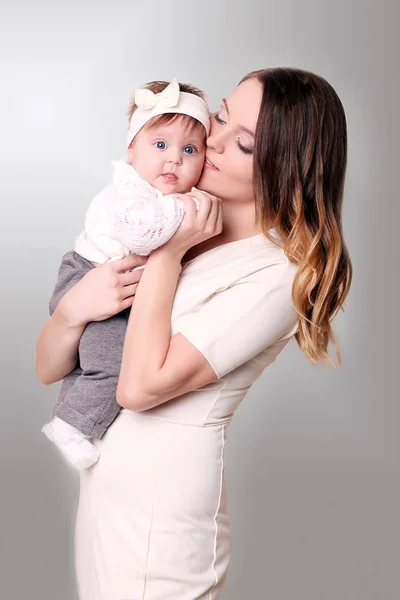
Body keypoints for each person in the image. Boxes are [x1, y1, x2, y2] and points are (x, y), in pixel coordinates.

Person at [35, 67, 353, 600]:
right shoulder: (160, 216)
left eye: (245, 144)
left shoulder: (276, 275)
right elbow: (48, 368)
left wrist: (168, 251)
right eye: (222, 117)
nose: (214, 142)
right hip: (107, 499)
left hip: (162, 521)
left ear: (284, 169)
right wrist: (73, 310)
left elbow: (137, 388)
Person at [40, 78, 211, 470]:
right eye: (160, 145)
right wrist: (186, 209)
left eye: (190, 150)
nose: (174, 160)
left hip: (104, 281)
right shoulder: (133, 191)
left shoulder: (155, 192)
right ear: (131, 151)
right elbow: (141, 235)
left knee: (92, 360)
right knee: (115, 362)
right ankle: (70, 425)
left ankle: (72, 409)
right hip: (90, 278)